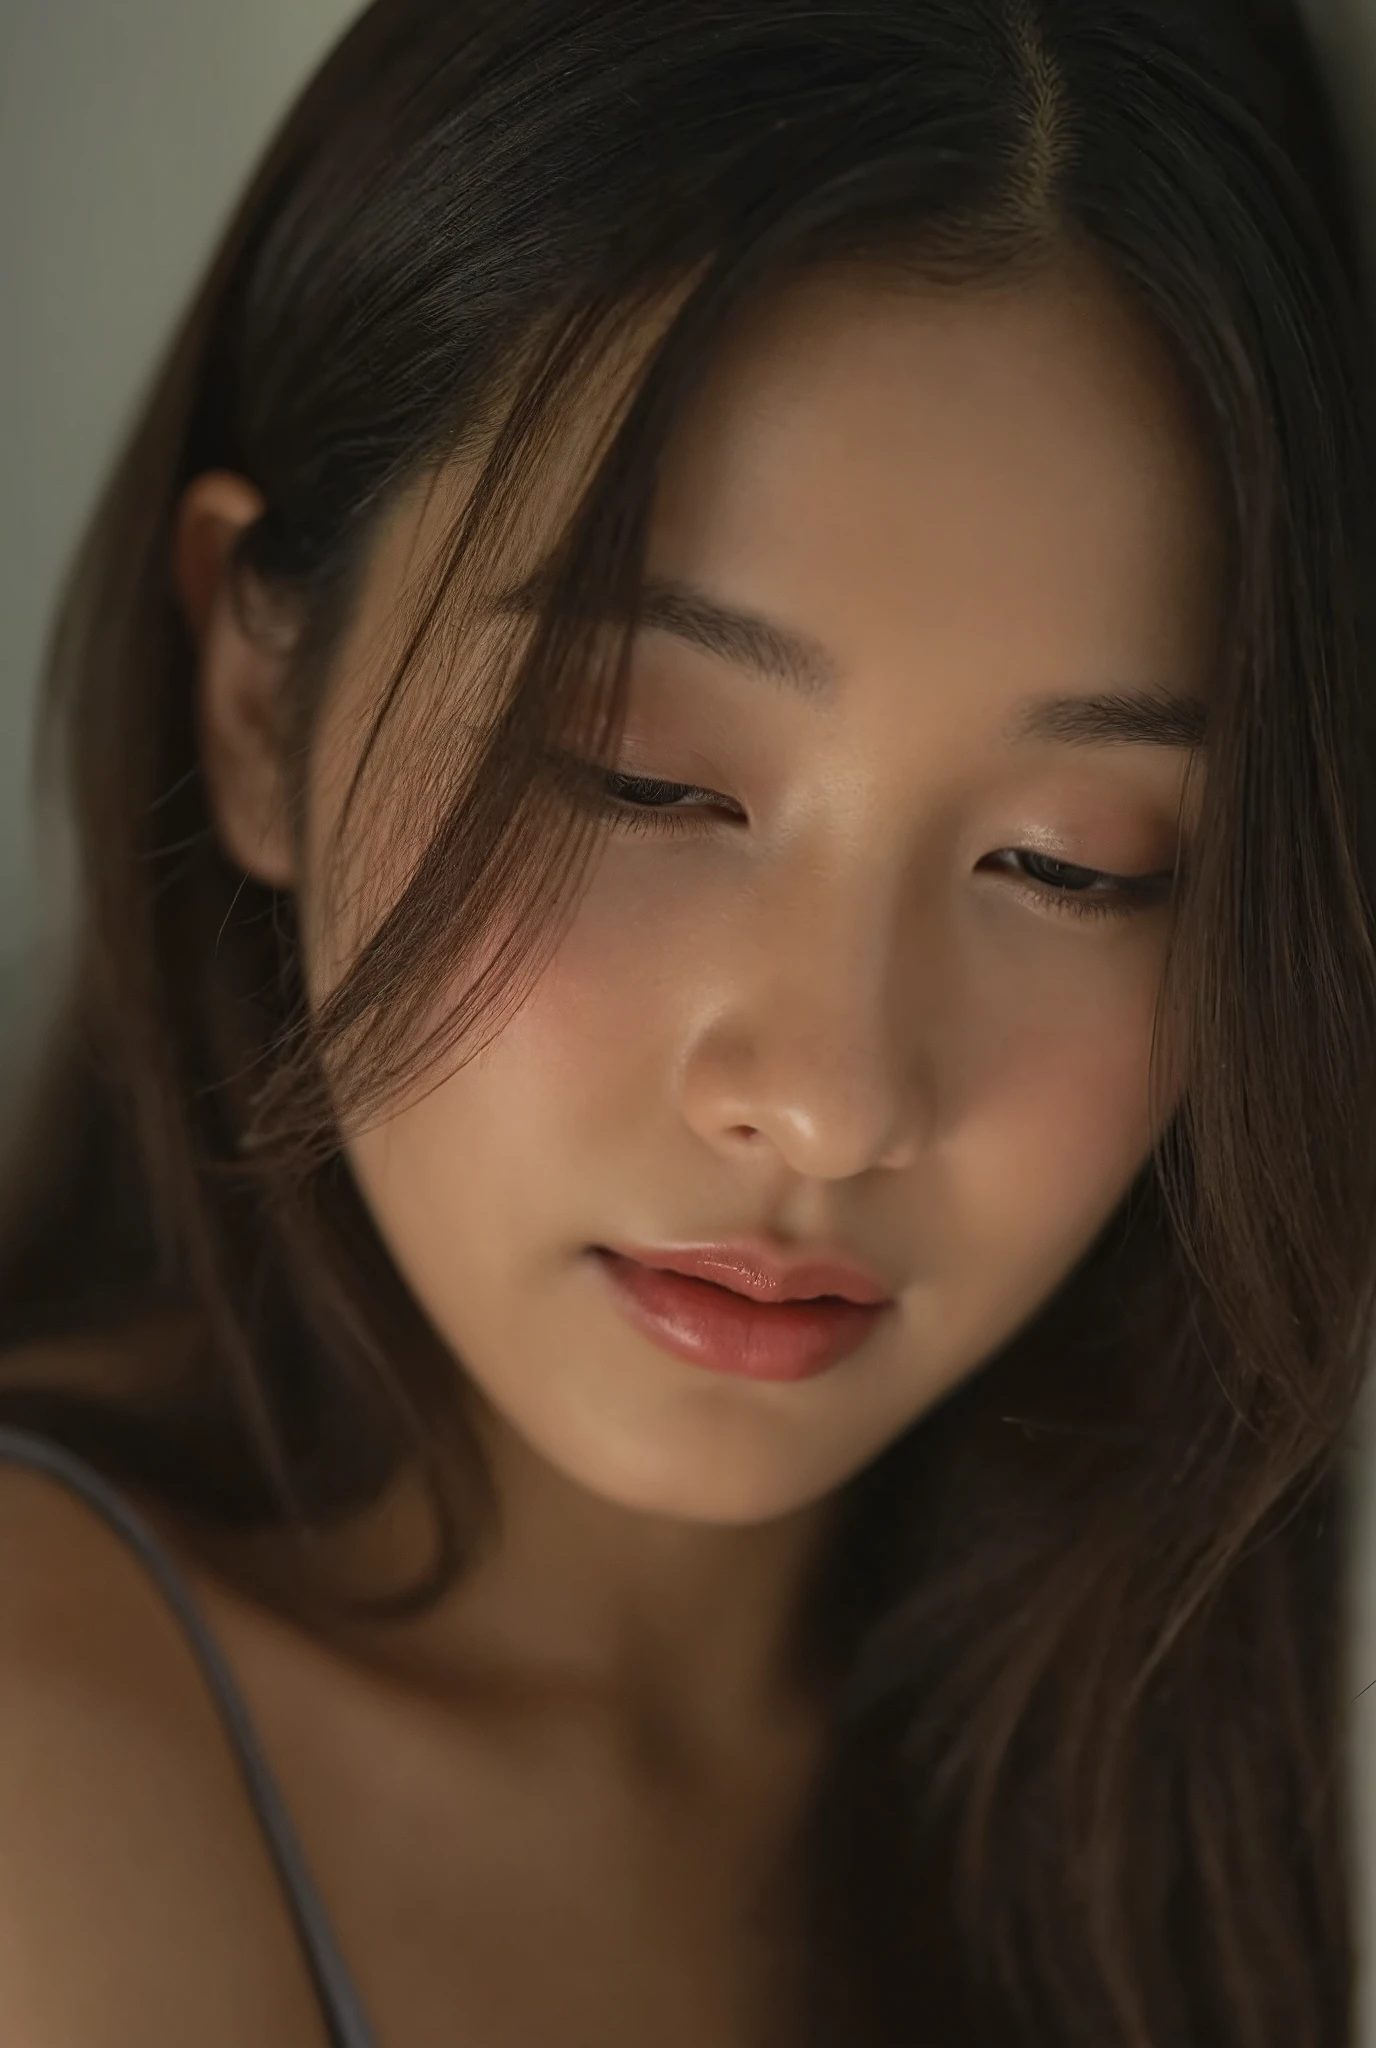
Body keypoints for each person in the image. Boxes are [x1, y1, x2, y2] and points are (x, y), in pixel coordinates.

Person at [0, 0, 1373, 2042]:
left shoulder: (1216, 1763)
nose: (824, 1100)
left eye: (1076, 863)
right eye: (643, 776)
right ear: (262, 695)